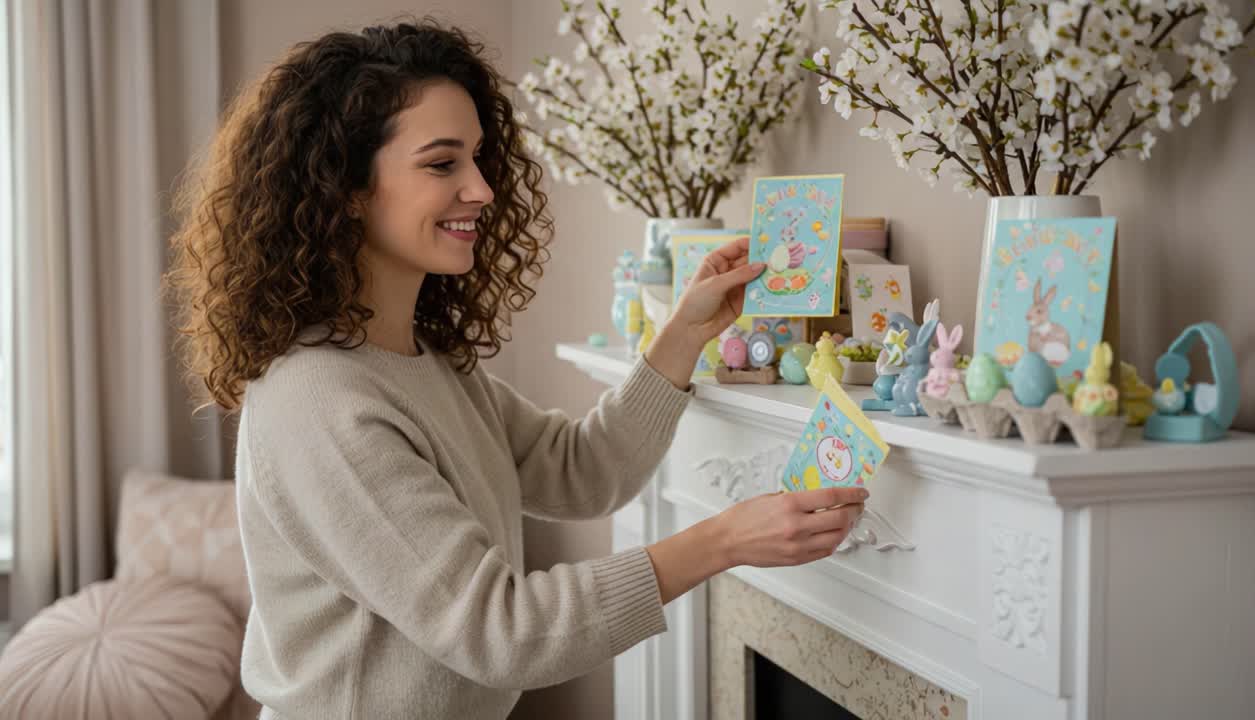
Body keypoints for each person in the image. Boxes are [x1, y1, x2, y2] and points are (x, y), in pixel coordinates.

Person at [167, 19, 868, 720]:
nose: (481, 189)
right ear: (345, 186)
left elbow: (585, 472)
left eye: (477, 158)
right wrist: (723, 540)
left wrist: (685, 332)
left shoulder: (426, 364)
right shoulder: (317, 401)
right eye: (443, 164)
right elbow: (503, 633)